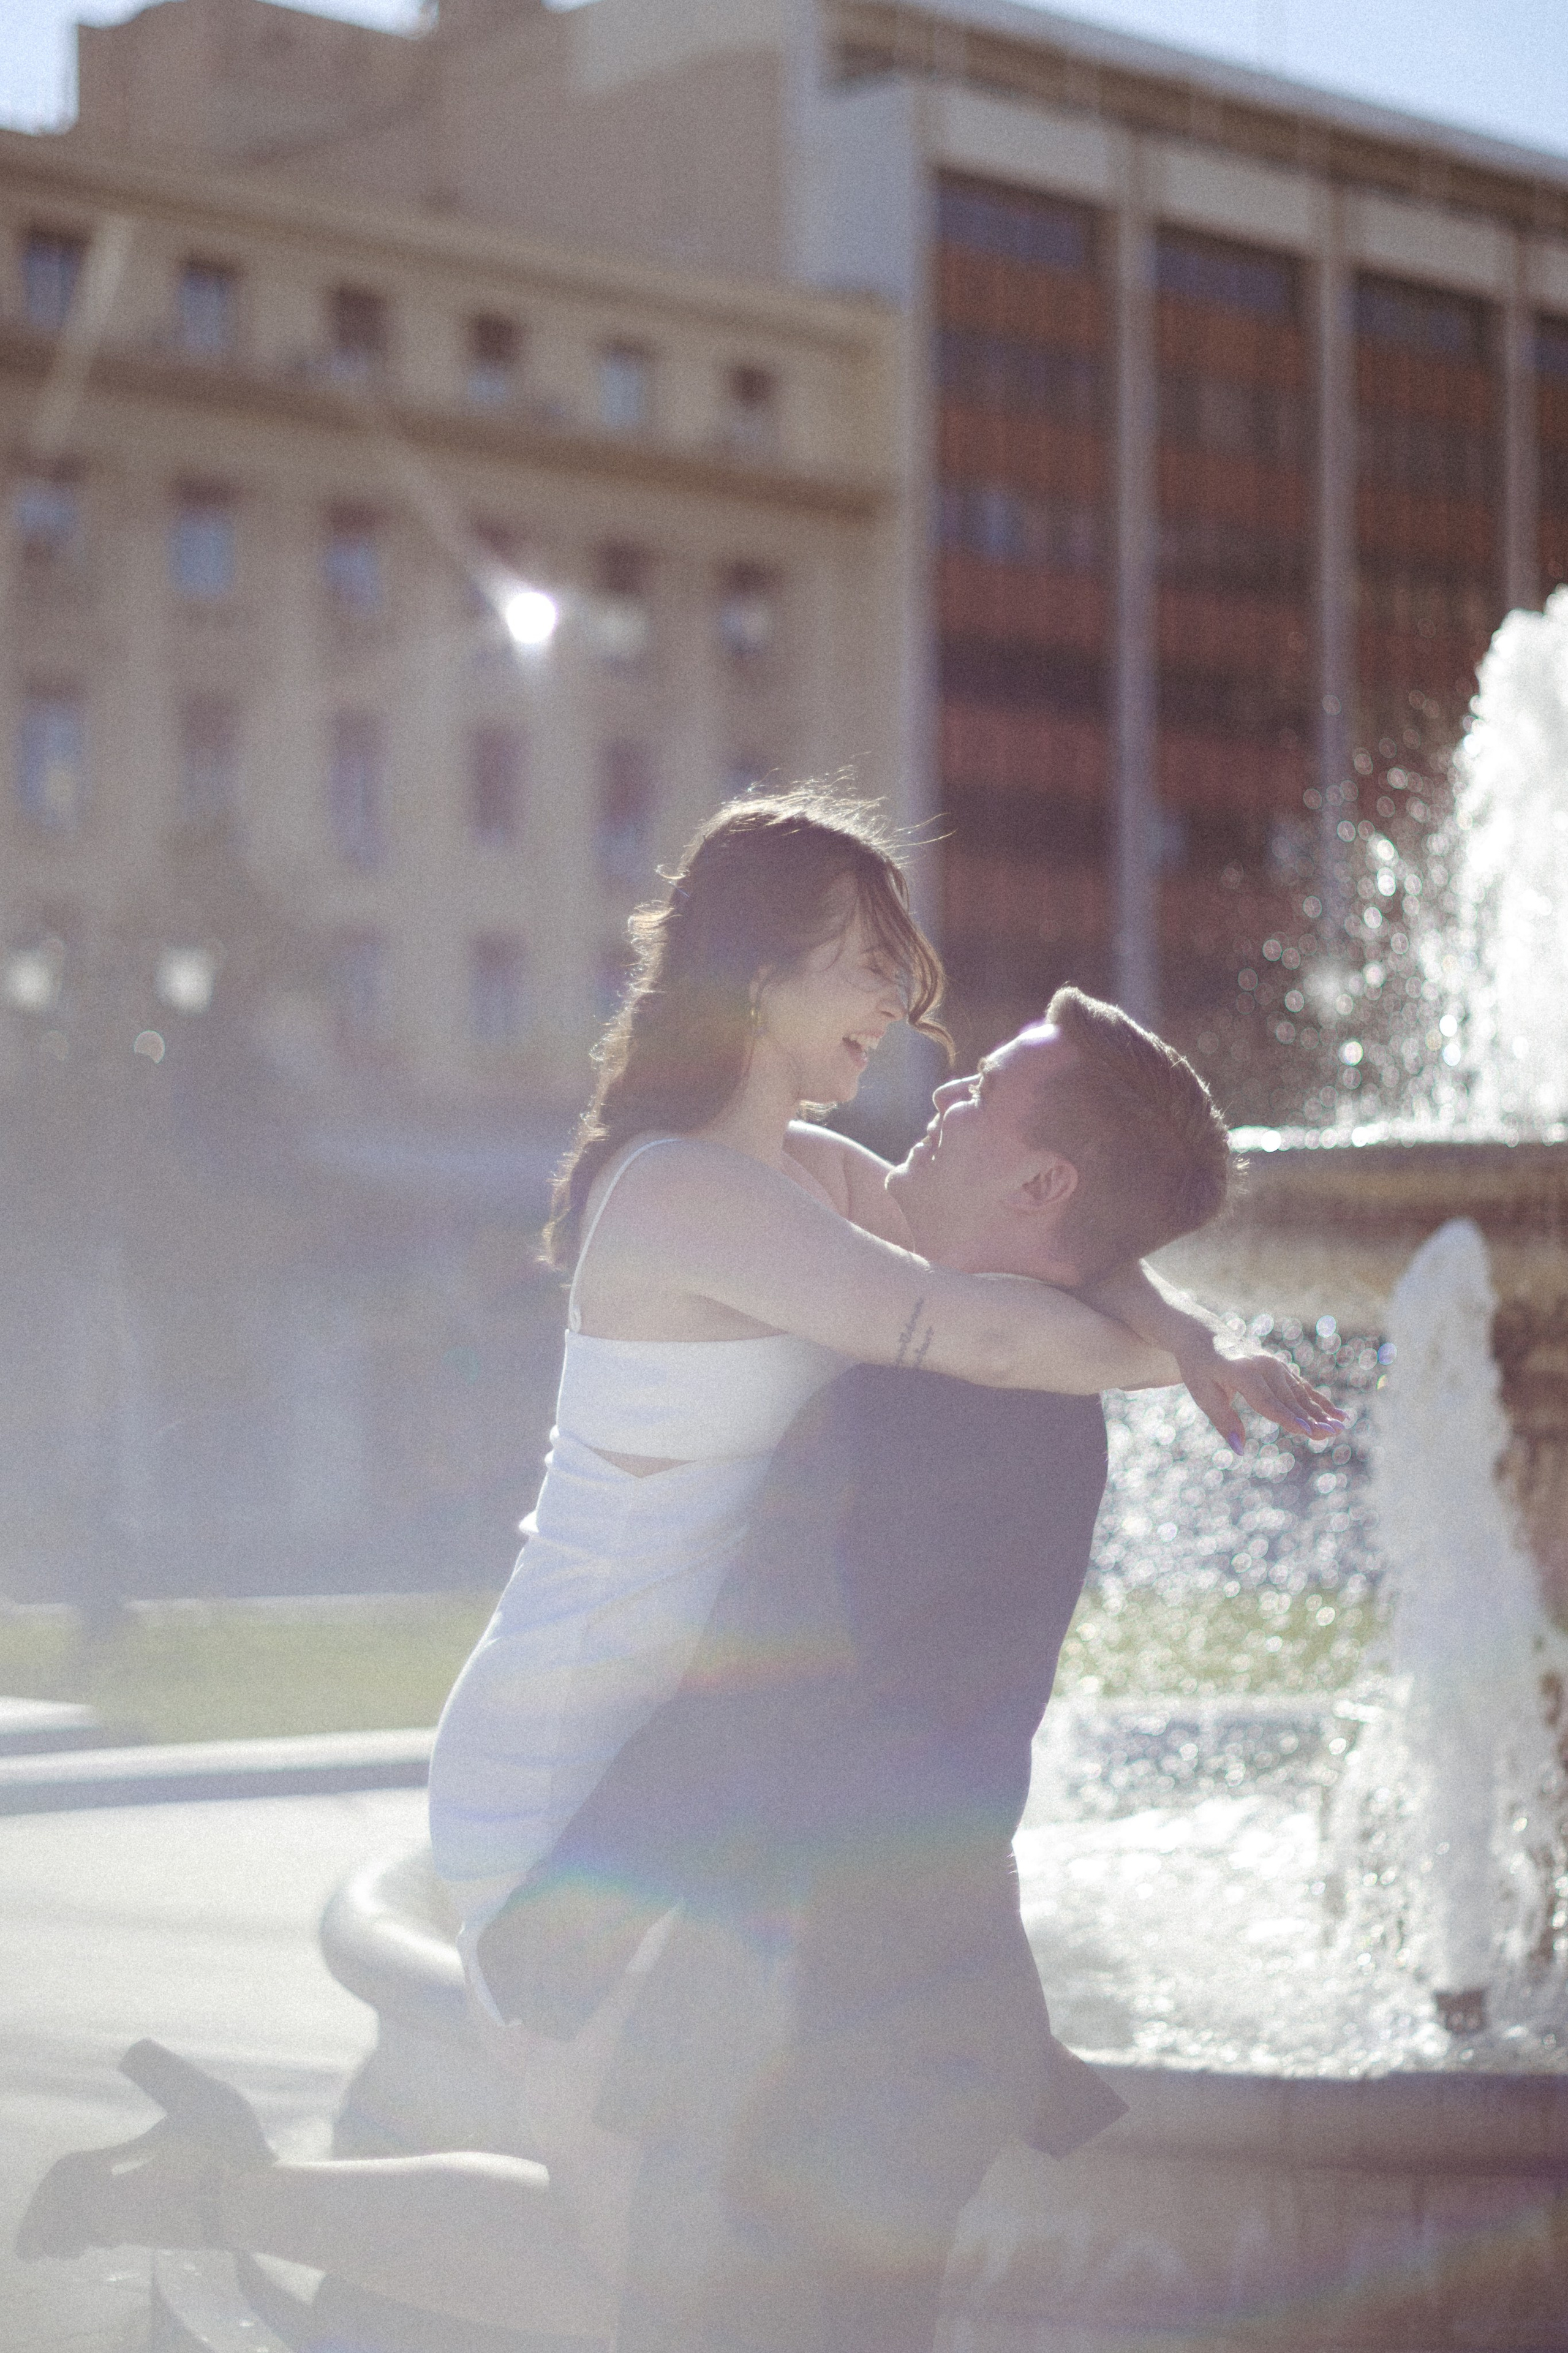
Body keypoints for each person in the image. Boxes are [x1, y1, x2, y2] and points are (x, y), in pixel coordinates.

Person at [16, 989, 1343, 2349]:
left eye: (982, 1088)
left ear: (1039, 1177)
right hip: (864, 2000)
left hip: (828, 1998)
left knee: (673, 2302)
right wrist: (1179, 1331)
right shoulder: (1024, 1370)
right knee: (650, 2293)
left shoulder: (909, 1402)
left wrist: (579, 1923)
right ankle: (209, 2198)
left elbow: (758, 1701)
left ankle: (207, 2198)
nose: (938, 1094)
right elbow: (1076, 1256)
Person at [424, 790, 1327, 2025]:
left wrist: (1183, 1328)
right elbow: (991, 1331)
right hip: (561, 1747)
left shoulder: (814, 1177)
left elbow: (1039, 1239)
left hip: (660, 1769)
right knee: (611, 2200)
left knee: (616, 2197)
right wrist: (1181, 1363)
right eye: (866, 969)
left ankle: (201, 2180)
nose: (901, 1009)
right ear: (755, 982)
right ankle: (208, 2185)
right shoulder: (683, 1193)